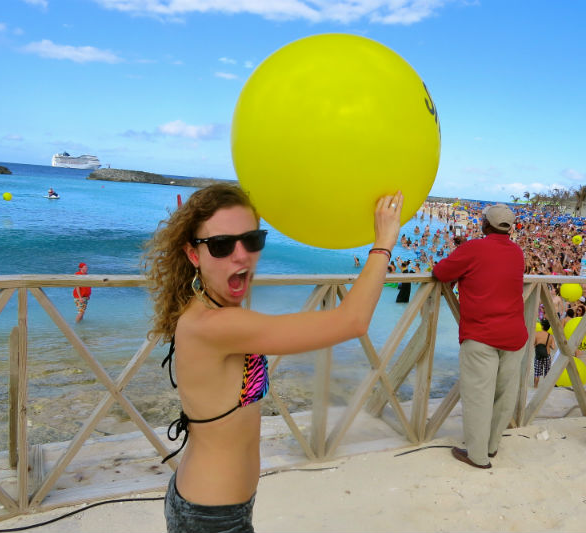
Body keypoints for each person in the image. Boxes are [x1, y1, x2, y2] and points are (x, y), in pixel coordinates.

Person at [142, 184, 403, 532]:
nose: (241, 255)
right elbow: (351, 321)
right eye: (221, 245)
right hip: (211, 518)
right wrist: (384, 243)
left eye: (251, 240)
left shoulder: (211, 307)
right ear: (193, 255)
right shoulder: (214, 324)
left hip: (216, 506)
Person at [432, 203, 528, 469]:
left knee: (478, 397)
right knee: (503, 396)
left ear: (485, 224)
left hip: (482, 334)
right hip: (515, 334)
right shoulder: (517, 252)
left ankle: (477, 456)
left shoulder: (474, 248)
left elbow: (440, 272)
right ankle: (491, 446)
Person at [534, 319, 556, 387]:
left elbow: (533, 344)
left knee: (537, 373)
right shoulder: (551, 336)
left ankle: (535, 387)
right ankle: (544, 388)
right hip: (547, 356)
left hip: (538, 356)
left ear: (542, 326)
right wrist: (547, 344)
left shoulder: (537, 334)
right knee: (546, 373)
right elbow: (553, 347)